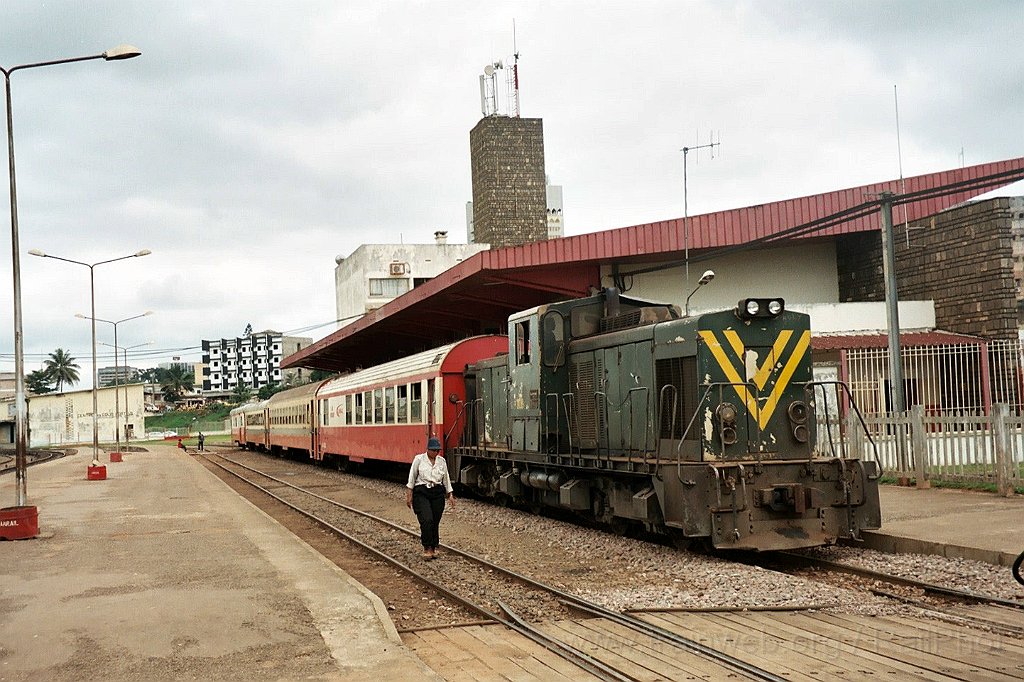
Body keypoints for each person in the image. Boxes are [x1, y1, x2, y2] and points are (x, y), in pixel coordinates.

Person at [406, 436, 455, 560]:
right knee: (427, 519)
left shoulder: (441, 461)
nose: (435, 452)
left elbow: (446, 478)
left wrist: (450, 494)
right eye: (433, 450)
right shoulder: (419, 460)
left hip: (437, 492)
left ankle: (434, 546)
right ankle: (427, 546)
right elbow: (412, 478)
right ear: (428, 449)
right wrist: (409, 494)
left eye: (437, 450)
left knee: (435, 520)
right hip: (421, 491)